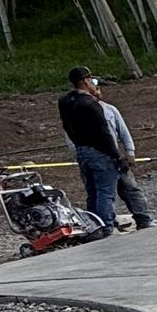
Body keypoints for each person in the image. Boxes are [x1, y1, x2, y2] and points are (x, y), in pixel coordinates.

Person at [56, 66, 126, 236]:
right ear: (86, 81)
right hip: (100, 152)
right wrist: (116, 157)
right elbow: (104, 134)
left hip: (81, 150)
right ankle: (106, 227)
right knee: (105, 192)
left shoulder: (65, 102)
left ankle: (92, 227)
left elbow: (67, 127)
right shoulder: (91, 104)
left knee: (92, 192)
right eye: (93, 81)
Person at [97, 84, 153, 231]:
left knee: (131, 188)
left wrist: (130, 152)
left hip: (116, 157)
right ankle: (106, 226)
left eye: (98, 89)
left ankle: (143, 219)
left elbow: (124, 132)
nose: (97, 92)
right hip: (98, 159)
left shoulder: (110, 110)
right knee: (104, 194)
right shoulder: (80, 113)